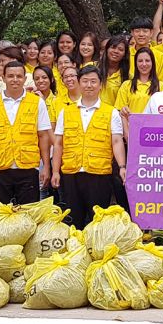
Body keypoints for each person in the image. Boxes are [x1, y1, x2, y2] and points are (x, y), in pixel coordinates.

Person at [51, 66, 126, 229]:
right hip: (71, 173)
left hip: (99, 174)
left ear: (100, 85)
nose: (89, 85)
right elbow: (58, 143)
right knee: (72, 221)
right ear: (79, 83)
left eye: (93, 81)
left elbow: (117, 141)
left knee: (97, 222)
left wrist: (121, 166)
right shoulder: (66, 112)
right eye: (85, 81)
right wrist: (55, 171)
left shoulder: (111, 112)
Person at [0, 62, 52, 205]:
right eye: (10, 76)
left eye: (19, 76)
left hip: (28, 167)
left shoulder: (37, 103)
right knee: (0, 214)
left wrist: (46, 167)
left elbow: (43, 136)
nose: (15, 79)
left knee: (28, 213)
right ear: (3, 78)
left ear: (25, 79)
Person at [116, 48, 163, 121]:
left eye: (147, 61)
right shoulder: (126, 85)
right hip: (132, 128)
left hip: (154, 130)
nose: (144, 64)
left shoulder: (162, 86)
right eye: (140, 61)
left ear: (152, 63)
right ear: (136, 63)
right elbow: (119, 111)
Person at [99, 34, 130, 106]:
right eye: (113, 47)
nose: (116, 51)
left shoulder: (128, 77)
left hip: (113, 115)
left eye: (121, 49)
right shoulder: (92, 67)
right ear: (107, 49)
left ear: (124, 54)